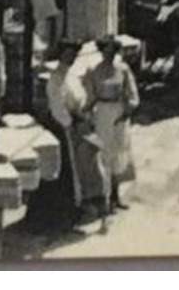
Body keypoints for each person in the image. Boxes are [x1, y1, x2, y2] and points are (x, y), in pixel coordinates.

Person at [46, 42, 111, 229]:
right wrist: (71, 122)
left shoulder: (72, 75)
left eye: (74, 54)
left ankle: (98, 203)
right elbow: (57, 108)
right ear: (61, 55)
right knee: (76, 169)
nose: (71, 58)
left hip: (83, 124)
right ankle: (80, 208)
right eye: (68, 54)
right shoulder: (55, 79)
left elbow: (82, 97)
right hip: (68, 128)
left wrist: (87, 115)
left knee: (92, 163)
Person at [84, 36, 139, 212]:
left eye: (112, 51)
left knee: (118, 153)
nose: (109, 54)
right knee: (103, 153)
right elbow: (90, 96)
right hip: (101, 112)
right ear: (101, 52)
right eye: (105, 51)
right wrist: (87, 114)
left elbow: (131, 93)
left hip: (118, 112)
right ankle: (103, 197)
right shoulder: (93, 71)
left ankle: (116, 195)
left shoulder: (122, 70)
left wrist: (127, 110)